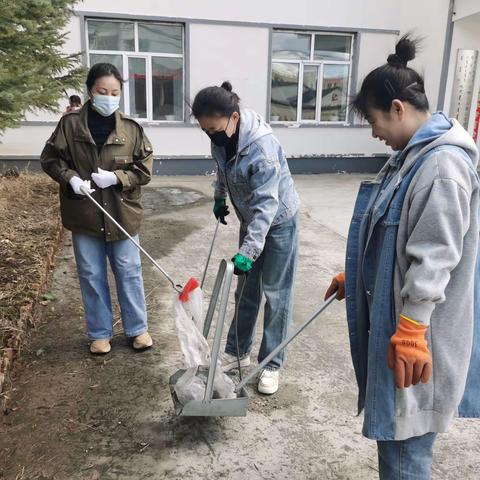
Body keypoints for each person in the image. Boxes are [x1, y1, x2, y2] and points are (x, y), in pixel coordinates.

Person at [325, 36, 480, 479]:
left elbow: (435, 254)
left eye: (375, 121)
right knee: (395, 442)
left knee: (404, 451)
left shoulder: (442, 166)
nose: (375, 133)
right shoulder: (409, 158)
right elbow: (394, 233)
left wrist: (412, 329)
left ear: (397, 108)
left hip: (419, 337)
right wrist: (357, 274)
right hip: (403, 326)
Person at [191, 81, 300, 395]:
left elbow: (268, 204)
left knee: (276, 294)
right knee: (245, 291)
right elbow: (222, 169)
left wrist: (249, 251)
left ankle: (271, 364)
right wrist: (220, 197)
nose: (210, 136)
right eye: (205, 131)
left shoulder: (261, 149)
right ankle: (237, 350)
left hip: (278, 223)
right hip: (251, 220)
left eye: (213, 129)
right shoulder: (221, 137)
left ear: (234, 118)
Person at [41, 63, 154, 355]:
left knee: (129, 271)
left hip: (122, 213)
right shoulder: (70, 125)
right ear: (91, 91)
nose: (108, 96)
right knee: (91, 274)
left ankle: (137, 329)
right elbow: (51, 159)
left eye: (114, 92)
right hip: (85, 213)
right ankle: (100, 333)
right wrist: (71, 179)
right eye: (102, 91)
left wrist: (117, 178)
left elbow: (144, 169)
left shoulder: (131, 129)